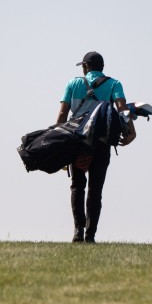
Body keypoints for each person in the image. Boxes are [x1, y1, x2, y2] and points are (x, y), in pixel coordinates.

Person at [57, 51, 136, 243]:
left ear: (85, 67)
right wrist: (131, 132)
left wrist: (58, 144)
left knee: (77, 186)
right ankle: (90, 235)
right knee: (95, 188)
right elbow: (122, 109)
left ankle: (78, 232)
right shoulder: (114, 84)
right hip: (101, 142)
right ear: (102, 68)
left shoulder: (73, 84)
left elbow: (62, 114)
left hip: (77, 143)